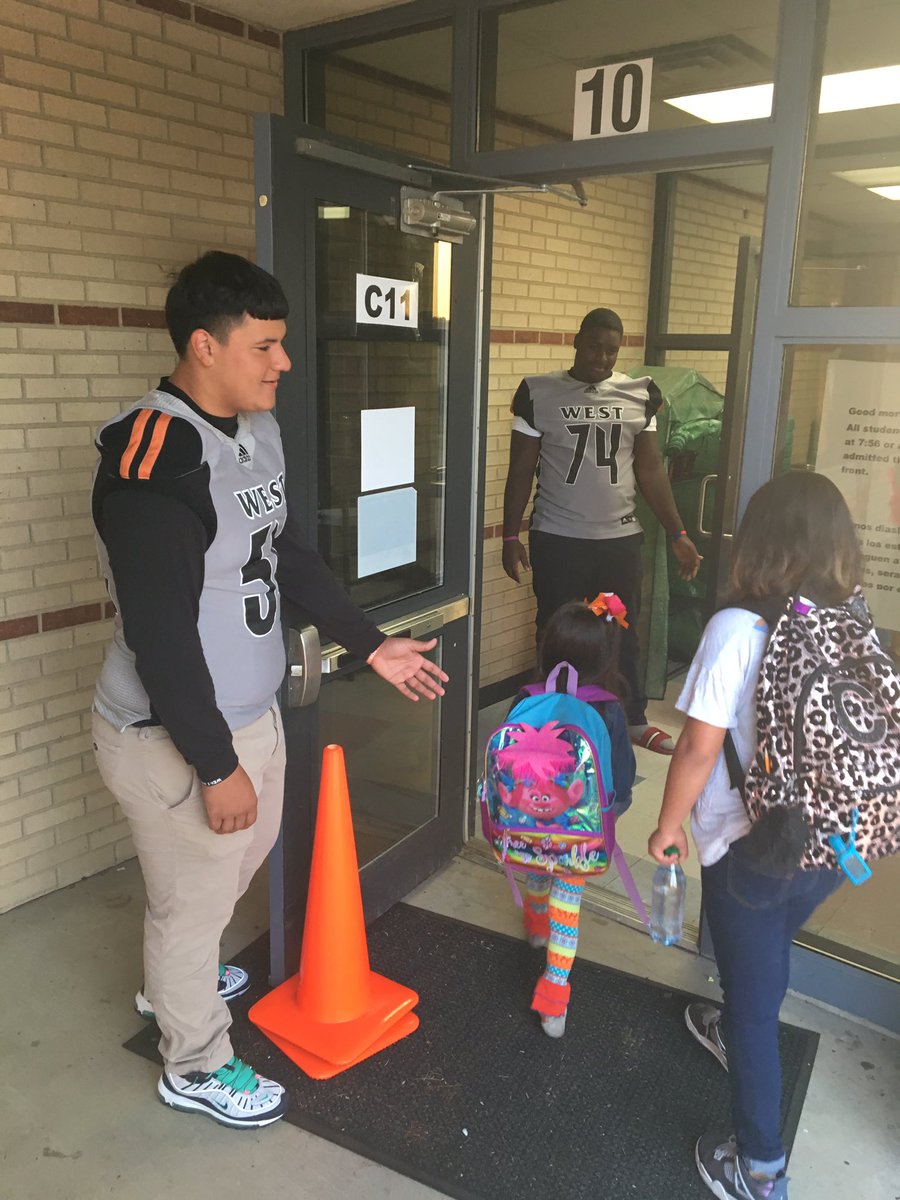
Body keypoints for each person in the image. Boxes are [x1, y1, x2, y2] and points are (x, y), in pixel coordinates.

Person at [91, 251, 448, 1129]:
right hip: (174, 734)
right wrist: (216, 768)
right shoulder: (156, 459)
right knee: (194, 903)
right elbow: (163, 636)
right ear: (204, 348)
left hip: (251, 713)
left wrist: (372, 645)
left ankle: (176, 977)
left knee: (226, 875)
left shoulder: (256, 431)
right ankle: (195, 1061)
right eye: (266, 345)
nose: (283, 362)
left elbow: (288, 556)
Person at [647, 472, 856, 1200]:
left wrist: (667, 827)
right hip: (832, 844)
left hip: (754, 847)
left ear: (759, 542)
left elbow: (698, 749)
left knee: (754, 992)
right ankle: (737, 1021)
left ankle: (759, 1169)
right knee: (762, 958)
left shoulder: (739, 628)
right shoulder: (848, 623)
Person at [501, 307, 701, 755]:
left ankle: (630, 719)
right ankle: (552, 718)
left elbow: (650, 470)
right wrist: (510, 536)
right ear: (576, 341)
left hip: (618, 540)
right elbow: (521, 469)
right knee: (556, 629)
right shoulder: (538, 392)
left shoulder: (639, 394)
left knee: (620, 630)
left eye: (612, 350)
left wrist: (678, 532)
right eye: (595, 346)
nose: (603, 357)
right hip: (558, 538)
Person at [514, 597, 636, 1038]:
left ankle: (533, 923)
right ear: (604, 656)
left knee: (537, 867)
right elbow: (621, 783)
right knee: (569, 907)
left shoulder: (526, 698)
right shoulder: (608, 707)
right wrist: (611, 815)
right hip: (580, 835)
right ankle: (553, 999)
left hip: (524, 825)